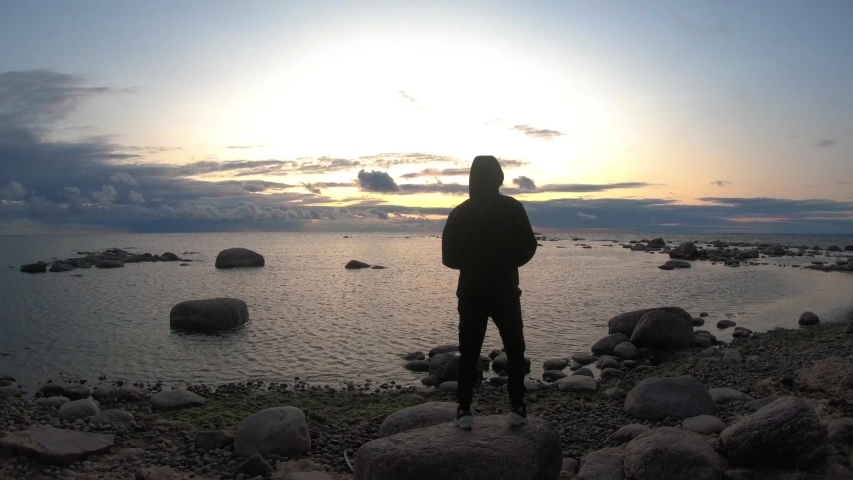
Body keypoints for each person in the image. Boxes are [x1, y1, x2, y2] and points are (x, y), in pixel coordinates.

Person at [441, 155, 538, 429]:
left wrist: (472, 264)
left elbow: (448, 257)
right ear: (499, 177)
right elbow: (528, 247)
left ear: (472, 178)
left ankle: (464, 411)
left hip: (471, 291)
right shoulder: (512, 208)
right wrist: (506, 262)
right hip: (505, 289)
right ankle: (517, 407)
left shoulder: (459, 213)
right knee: (515, 348)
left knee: (469, 352)